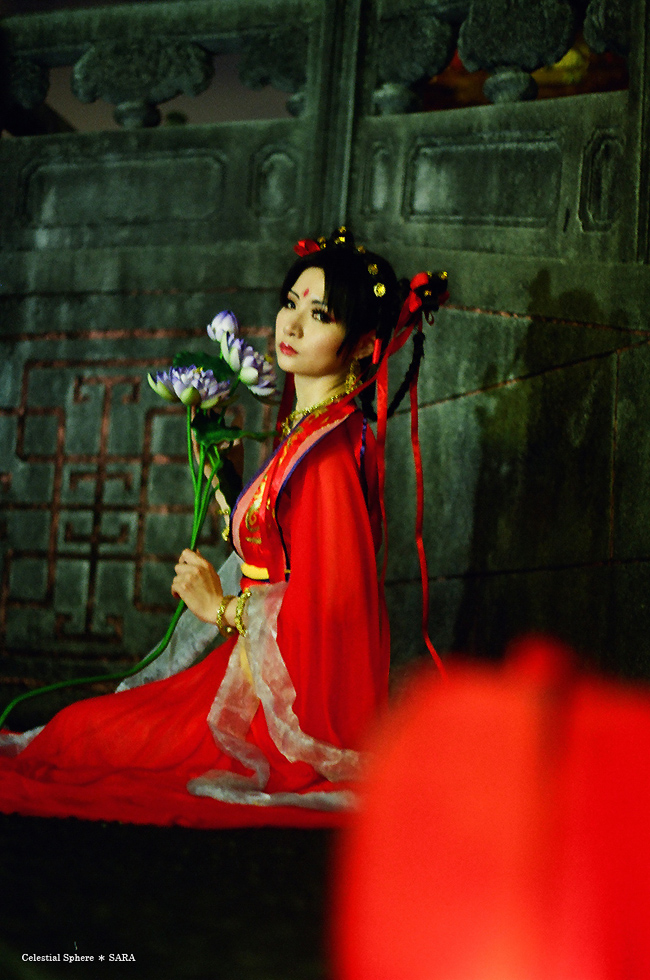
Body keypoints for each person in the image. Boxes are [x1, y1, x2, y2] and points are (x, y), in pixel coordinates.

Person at [0, 229, 442, 830]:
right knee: (77, 733)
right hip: (254, 673)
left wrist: (221, 609)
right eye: (291, 303)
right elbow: (280, 544)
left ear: (365, 345)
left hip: (281, 705)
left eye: (319, 315)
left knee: (81, 741)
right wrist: (228, 478)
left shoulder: (328, 455)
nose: (291, 324)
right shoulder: (311, 429)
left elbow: (330, 608)